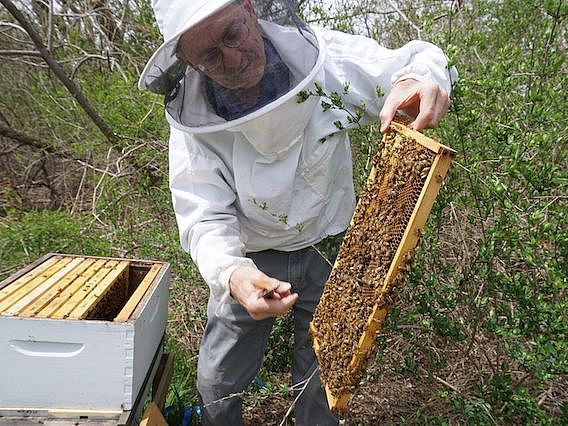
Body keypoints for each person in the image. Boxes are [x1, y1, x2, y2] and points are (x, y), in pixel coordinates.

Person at [139, 0, 457, 424]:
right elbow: (204, 214)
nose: (231, 58)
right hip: (251, 260)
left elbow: (418, 60)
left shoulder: (327, 64)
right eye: (211, 54)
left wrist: (423, 80)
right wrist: (232, 274)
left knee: (322, 374)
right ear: (186, 60)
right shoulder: (192, 121)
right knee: (217, 381)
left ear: (251, 10)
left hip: (333, 250)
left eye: (232, 34)